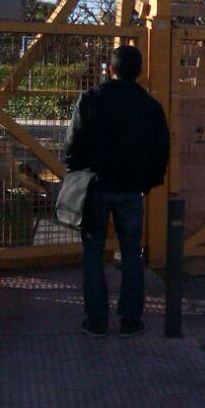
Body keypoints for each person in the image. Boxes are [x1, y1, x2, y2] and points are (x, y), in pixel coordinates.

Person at [65, 45, 169, 337]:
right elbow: (161, 150)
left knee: (93, 253)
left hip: (95, 185)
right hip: (131, 188)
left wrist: (78, 172)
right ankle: (130, 319)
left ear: (109, 70)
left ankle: (97, 319)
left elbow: (73, 145)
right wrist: (149, 182)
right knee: (132, 255)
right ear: (139, 72)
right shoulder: (150, 106)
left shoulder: (91, 99)